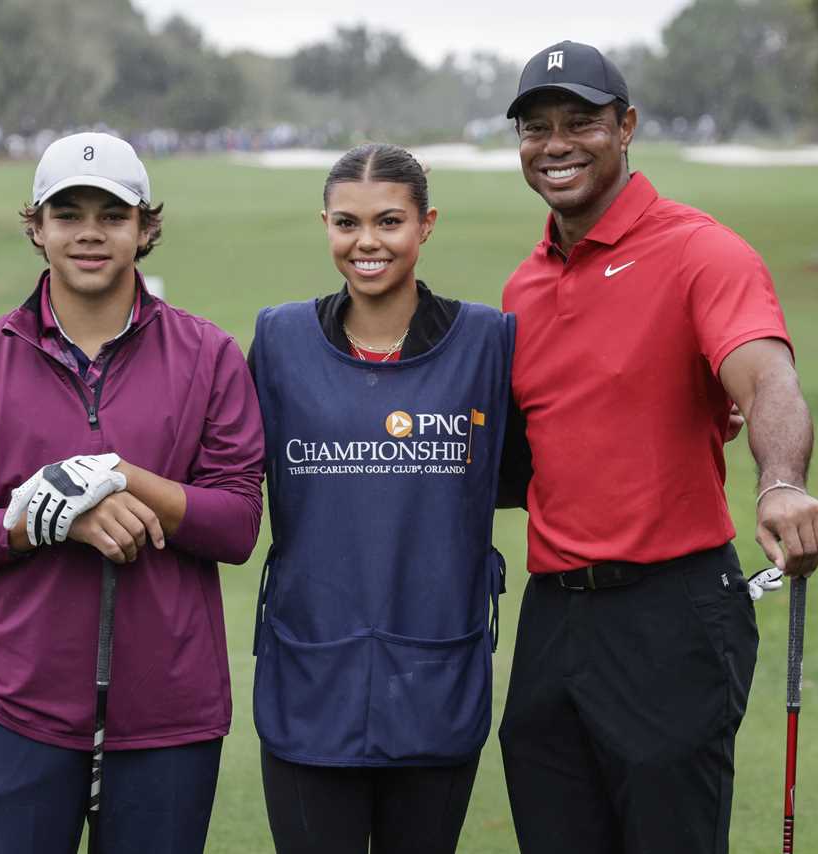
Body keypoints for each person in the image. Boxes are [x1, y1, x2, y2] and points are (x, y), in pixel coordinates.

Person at [495, 41, 818, 853]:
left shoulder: (701, 252)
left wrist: (780, 481)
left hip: (670, 613)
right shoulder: (523, 287)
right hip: (552, 620)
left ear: (627, 127)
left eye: (582, 122)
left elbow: (767, 377)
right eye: (536, 128)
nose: (557, 144)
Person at [0, 131, 265, 854]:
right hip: (23, 713)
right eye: (68, 213)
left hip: (169, 715)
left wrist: (120, 476)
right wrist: (42, 519)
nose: (91, 233)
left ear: (146, 227)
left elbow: (235, 527)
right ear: (36, 228)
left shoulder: (209, 355)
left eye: (113, 213)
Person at [249, 143, 515, 854]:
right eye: (347, 223)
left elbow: (547, 459)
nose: (367, 242)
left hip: (437, 679)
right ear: (326, 225)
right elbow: (216, 461)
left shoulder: (488, 342)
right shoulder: (278, 341)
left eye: (389, 221)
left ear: (427, 225)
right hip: (310, 682)